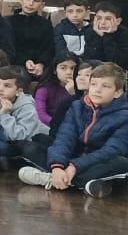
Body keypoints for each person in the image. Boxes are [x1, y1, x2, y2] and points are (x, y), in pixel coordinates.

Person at [18, 62, 128, 198]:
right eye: (94, 84)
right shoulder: (77, 106)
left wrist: (74, 167)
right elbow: (64, 137)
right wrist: (57, 166)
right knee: (32, 148)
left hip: (98, 162)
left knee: (122, 163)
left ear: (117, 92)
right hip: (72, 158)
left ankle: (50, 180)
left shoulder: (124, 116)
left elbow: (111, 151)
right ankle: (80, 183)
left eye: (105, 86)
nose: (97, 90)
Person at [9, 0, 55, 81]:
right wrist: (25, 61)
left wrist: (41, 64)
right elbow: (9, 47)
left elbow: (48, 48)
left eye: (36, 0)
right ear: (21, 0)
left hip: (40, 65)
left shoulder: (45, 24)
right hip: (15, 63)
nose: (31, 3)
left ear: (42, 5)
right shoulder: (8, 21)